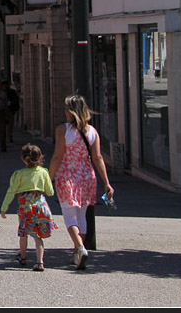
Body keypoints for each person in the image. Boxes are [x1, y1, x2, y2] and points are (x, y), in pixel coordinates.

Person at [48, 94, 115, 270]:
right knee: (82, 215)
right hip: (86, 176)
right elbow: (98, 157)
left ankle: (80, 248)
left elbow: (58, 155)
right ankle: (78, 252)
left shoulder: (63, 130)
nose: (64, 112)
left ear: (71, 111)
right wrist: (106, 182)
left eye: (66, 109)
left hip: (67, 175)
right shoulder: (92, 131)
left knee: (69, 215)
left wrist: (49, 177)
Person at [1, 144, 58, 272]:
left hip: (26, 208)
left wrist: (4, 208)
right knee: (38, 235)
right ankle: (40, 261)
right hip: (41, 207)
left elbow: (11, 191)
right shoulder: (44, 172)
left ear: (24, 159)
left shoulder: (19, 174)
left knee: (24, 233)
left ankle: (23, 256)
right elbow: (50, 192)